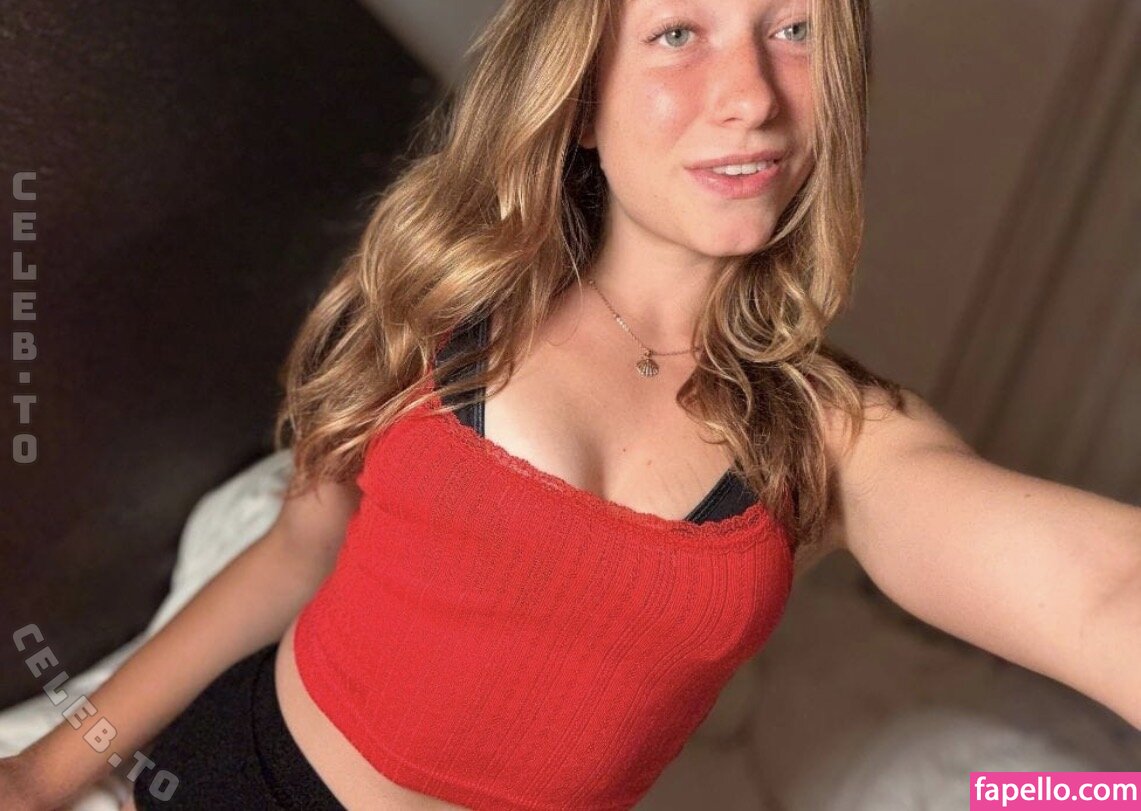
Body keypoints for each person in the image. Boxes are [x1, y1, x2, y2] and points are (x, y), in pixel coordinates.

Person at [3, 0, 1139, 808]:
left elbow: (1102, 592)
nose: (750, 96)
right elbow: (301, 549)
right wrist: (49, 769)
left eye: (792, 30)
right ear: (583, 96)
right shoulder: (447, 294)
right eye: (679, 33)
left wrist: (1080, 793)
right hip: (236, 779)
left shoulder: (835, 434)